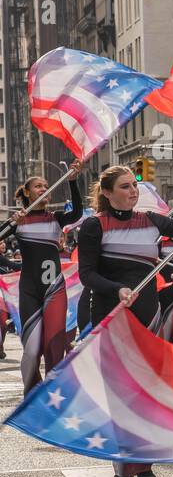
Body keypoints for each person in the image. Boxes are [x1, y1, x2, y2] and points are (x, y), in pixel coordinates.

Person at [78, 165, 173, 477]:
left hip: (148, 313)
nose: (133, 191)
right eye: (125, 187)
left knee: (147, 391)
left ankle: (145, 463)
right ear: (107, 193)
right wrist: (117, 289)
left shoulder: (151, 220)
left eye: (134, 186)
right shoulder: (94, 226)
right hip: (113, 314)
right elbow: (87, 275)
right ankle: (123, 468)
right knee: (120, 393)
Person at [7, 168, 84, 392]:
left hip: (54, 289)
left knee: (54, 345)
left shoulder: (56, 218)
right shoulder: (19, 220)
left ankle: (53, 393)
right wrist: (13, 224)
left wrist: (72, 182)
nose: (43, 189)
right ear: (28, 193)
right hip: (30, 290)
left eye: (45, 186)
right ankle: (31, 392)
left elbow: (77, 213)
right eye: (38, 186)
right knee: (31, 350)